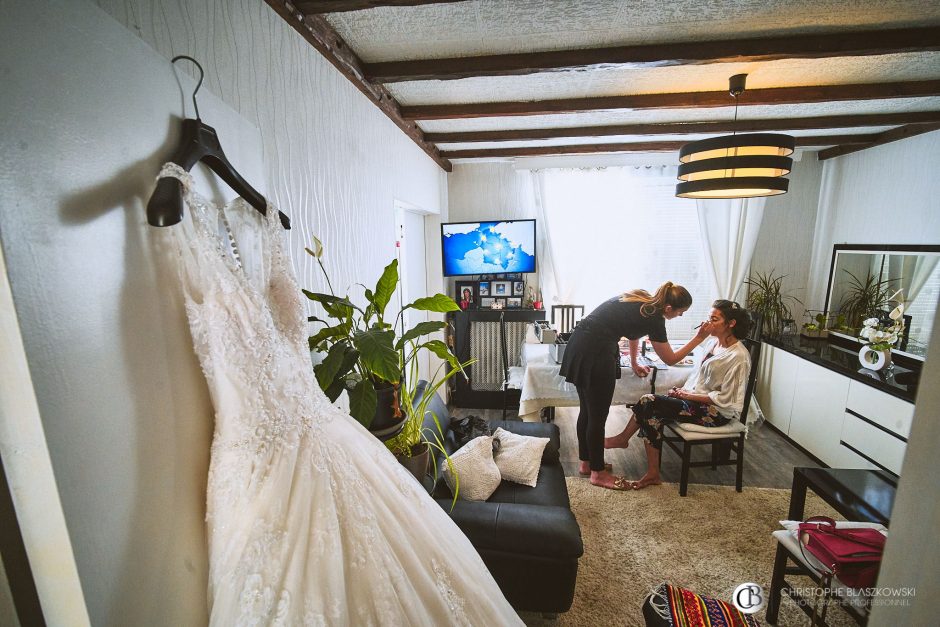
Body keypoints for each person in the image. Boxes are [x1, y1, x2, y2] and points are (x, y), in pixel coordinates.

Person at [559, 282, 710, 490]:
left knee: (587, 410)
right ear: (668, 309)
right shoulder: (655, 318)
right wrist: (699, 338)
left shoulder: (644, 301)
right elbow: (670, 359)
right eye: (681, 312)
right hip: (595, 353)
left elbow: (632, 332)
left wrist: (633, 361)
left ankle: (588, 463)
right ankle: (597, 474)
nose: (681, 316)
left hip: (580, 345)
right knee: (597, 416)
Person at [604, 299, 752, 489]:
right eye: (708, 318)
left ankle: (626, 442)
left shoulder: (738, 357)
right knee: (651, 411)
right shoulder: (714, 344)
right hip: (699, 403)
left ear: (731, 324)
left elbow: (728, 399)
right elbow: (700, 380)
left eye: (714, 319)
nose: (707, 323)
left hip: (716, 413)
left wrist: (687, 396)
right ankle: (651, 472)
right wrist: (683, 392)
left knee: (649, 402)